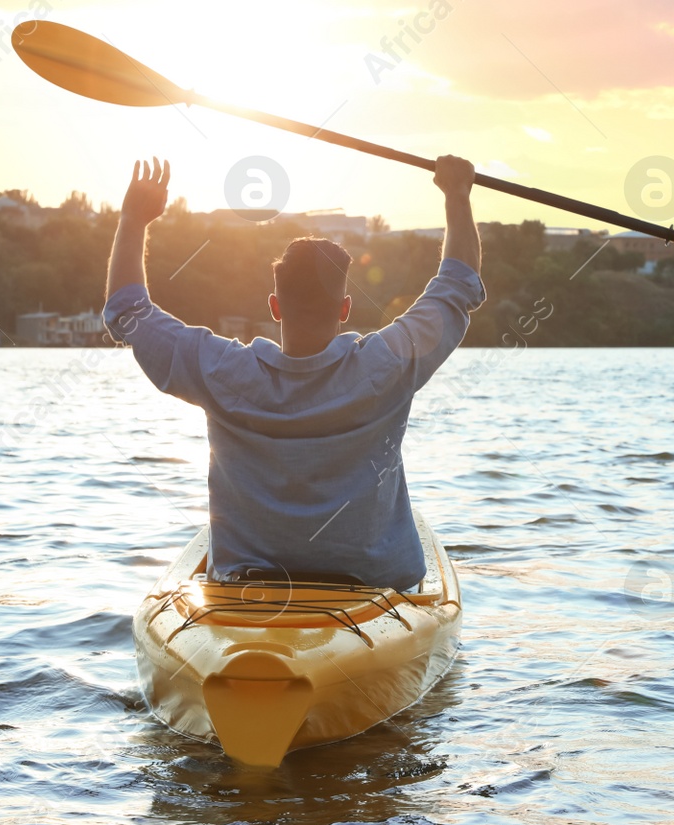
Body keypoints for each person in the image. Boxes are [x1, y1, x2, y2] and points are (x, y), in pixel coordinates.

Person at [102, 154, 484, 591]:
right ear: (345, 309)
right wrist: (457, 195)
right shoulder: (388, 364)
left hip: (247, 588)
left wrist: (134, 219)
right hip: (372, 589)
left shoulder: (220, 370)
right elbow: (458, 285)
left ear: (274, 306)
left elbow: (126, 311)